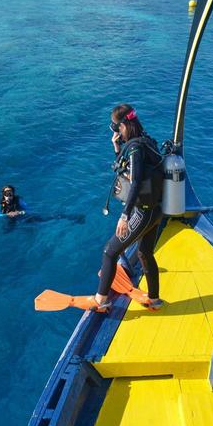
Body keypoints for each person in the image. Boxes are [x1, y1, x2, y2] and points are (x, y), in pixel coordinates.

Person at [91, 104, 164, 312]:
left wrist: (124, 216)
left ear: (123, 125)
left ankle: (101, 300)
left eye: (116, 128)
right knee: (144, 253)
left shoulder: (135, 148)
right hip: (157, 210)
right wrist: (116, 149)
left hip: (143, 211)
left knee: (109, 251)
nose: (116, 132)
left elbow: (136, 182)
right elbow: (130, 171)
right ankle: (155, 299)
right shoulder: (146, 141)